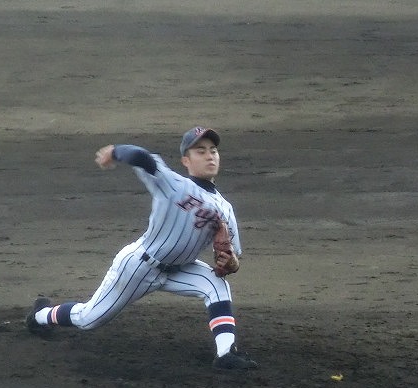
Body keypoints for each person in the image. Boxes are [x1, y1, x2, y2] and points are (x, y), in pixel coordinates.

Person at [25, 127, 258, 370]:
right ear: (186, 161)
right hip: (140, 265)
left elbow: (232, 259)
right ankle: (41, 316)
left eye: (213, 151)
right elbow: (142, 156)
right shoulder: (172, 183)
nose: (210, 156)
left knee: (217, 284)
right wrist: (116, 152)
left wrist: (230, 264)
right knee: (88, 318)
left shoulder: (225, 209)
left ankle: (225, 354)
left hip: (180, 269)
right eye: (201, 151)